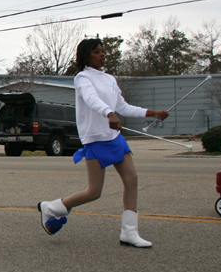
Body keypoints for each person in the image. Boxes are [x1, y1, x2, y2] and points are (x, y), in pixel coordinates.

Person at [37, 38, 169, 248]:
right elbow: (91, 99)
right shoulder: (82, 78)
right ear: (86, 56)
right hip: (96, 139)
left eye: (103, 51)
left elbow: (123, 107)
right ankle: (53, 207)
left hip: (114, 138)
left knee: (132, 180)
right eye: (97, 51)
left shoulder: (109, 79)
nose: (102, 54)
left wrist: (152, 113)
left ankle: (129, 232)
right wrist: (108, 113)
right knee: (94, 192)